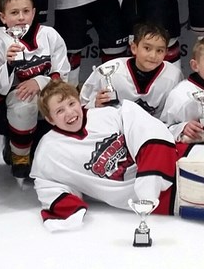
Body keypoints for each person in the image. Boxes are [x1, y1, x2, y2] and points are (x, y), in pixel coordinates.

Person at [29, 80, 181, 232]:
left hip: (172, 161)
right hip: (158, 199)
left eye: (71, 104)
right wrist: (66, 206)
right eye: (59, 111)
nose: (69, 113)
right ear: (49, 119)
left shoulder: (107, 114)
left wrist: (151, 173)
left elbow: (144, 126)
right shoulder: (49, 151)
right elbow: (47, 183)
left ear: (79, 101)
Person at [0, 0, 69, 180]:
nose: (21, 17)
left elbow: (62, 72)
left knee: (66, 103)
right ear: (2, 17)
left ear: (34, 12)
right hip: (15, 97)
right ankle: (20, 156)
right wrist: (10, 65)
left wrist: (40, 81)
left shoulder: (50, 35)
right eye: (14, 13)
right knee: (25, 104)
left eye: (26, 11)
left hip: (49, 90)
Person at [80, 22, 182, 119]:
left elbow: (174, 117)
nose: (153, 56)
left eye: (159, 50)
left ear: (166, 52)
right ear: (134, 48)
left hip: (152, 132)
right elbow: (83, 107)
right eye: (147, 48)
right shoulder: (109, 71)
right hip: (114, 130)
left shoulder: (173, 76)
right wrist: (95, 104)